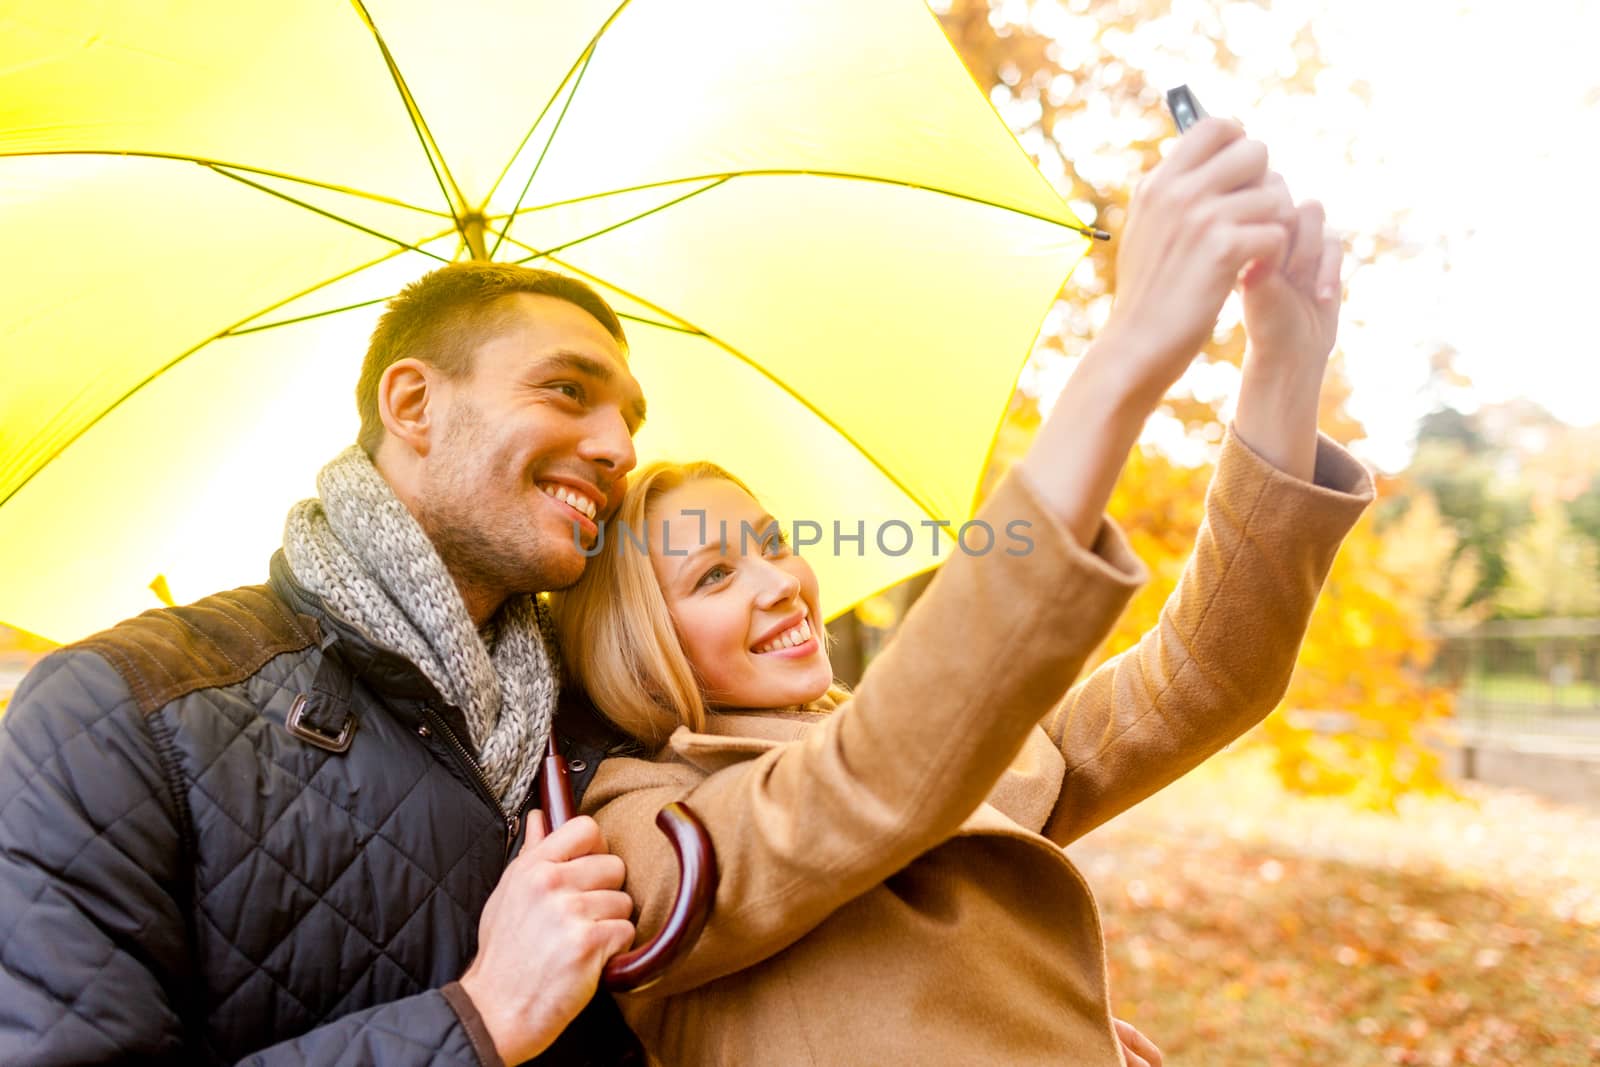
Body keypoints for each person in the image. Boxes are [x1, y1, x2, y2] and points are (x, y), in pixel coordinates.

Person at [551, 118, 1375, 1066]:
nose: (782, 582)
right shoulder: (629, 830)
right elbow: (865, 785)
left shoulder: (925, 741)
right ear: (634, 641)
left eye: (773, 542)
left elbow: (1204, 674)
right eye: (714, 574)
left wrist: (1283, 366)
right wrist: (1130, 350)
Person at [0, 264, 651, 1065]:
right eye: (567, 390)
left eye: (631, 420)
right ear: (414, 404)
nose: (619, 448)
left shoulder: (615, 710)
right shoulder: (124, 711)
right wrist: (480, 1018)